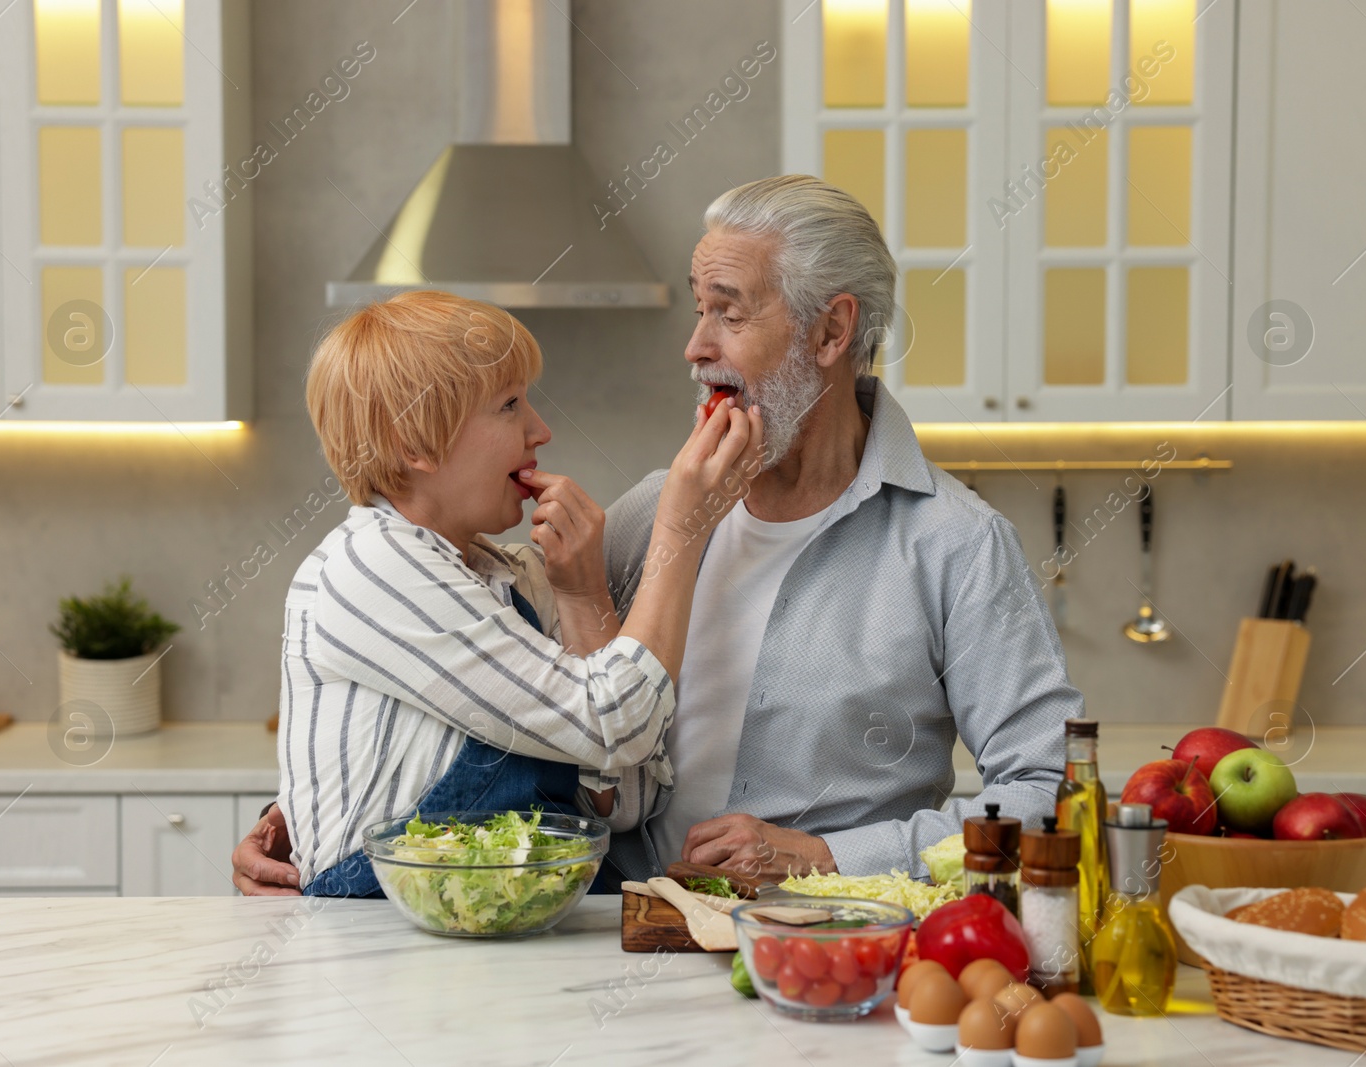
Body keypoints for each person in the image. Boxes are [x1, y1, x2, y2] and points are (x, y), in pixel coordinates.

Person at [234, 176, 1079, 894]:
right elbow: (527, 716)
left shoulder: (957, 546)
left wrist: (829, 857)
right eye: (697, 306)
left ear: (830, 333)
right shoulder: (648, 516)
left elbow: (1051, 793)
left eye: (729, 313)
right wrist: (304, 818)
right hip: (611, 946)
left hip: (826, 955)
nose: (694, 345)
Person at [272, 290, 761, 896]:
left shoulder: (514, 576)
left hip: (504, 922)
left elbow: (629, 798)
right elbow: (616, 723)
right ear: (413, 446)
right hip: (383, 932)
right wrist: (682, 531)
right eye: (509, 406)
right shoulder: (372, 564)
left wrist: (583, 596)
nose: (541, 429)